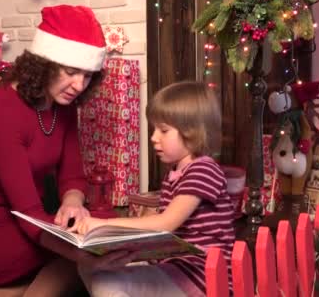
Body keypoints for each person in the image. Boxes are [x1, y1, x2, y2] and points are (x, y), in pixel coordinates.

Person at [0, 5, 112, 296]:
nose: (78, 85)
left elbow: (73, 177)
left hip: (30, 226)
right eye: (71, 72)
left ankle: (2, 291)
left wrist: (73, 202)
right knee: (85, 262)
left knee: (89, 252)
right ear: (43, 63)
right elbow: (27, 212)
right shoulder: (2, 111)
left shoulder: (62, 107)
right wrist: (87, 254)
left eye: (87, 76)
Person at [74, 81, 236, 297]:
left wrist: (103, 225)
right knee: (89, 265)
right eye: (154, 129)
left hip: (200, 276)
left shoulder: (203, 169)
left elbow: (166, 223)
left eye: (163, 130)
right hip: (176, 267)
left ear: (192, 131)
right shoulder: (177, 171)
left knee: (108, 281)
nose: (153, 138)